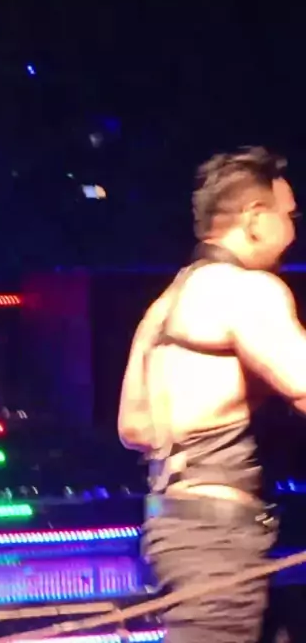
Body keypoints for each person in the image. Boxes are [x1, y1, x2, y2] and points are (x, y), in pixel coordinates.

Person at [118, 146, 306, 643]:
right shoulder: (245, 290)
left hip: (174, 528)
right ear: (255, 218)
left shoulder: (167, 303)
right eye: (289, 217)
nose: (294, 232)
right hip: (217, 540)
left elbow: (134, 429)